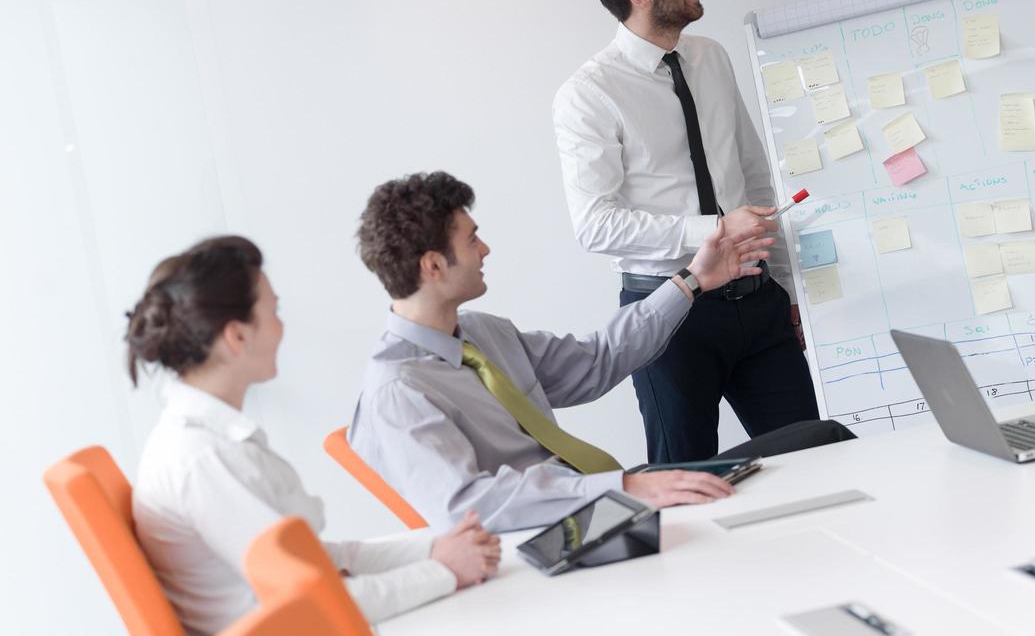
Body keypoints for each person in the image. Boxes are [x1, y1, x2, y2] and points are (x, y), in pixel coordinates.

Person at [349, 172, 854, 533]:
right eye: (472, 238)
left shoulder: (482, 334)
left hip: (602, 502)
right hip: (558, 533)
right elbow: (467, 507)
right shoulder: (397, 392)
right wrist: (625, 489)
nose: (485, 250)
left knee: (818, 439)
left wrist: (694, 280)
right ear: (434, 265)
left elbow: (596, 362)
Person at [127, 236, 500, 636]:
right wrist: (444, 571)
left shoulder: (205, 440)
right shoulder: (205, 459)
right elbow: (314, 601)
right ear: (237, 336)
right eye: (274, 311)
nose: (282, 326)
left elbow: (322, 560)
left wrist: (434, 551)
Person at [553, 0, 819, 464]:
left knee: (811, 458)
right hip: (667, 315)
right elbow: (595, 224)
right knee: (686, 483)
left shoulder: (711, 58)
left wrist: (789, 288)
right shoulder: (588, 95)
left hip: (757, 299)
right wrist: (716, 232)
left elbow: (754, 177)